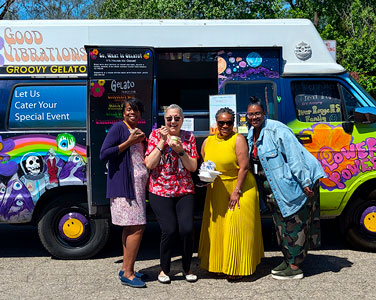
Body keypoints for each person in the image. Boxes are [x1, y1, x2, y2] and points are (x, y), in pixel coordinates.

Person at [247, 96, 326, 280]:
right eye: (251, 114)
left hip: (294, 183)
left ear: (264, 113)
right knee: (280, 224)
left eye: (258, 113)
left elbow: (295, 157)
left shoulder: (277, 130)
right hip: (276, 187)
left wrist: (305, 182)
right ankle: (287, 258)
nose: (254, 117)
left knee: (294, 224)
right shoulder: (252, 133)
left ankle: (295, 267)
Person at [198, 107, 264, 280]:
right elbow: (205, 162)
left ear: (233, 123)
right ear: (216, 123)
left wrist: (237, 191)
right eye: (222, 122)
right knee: (219, 228)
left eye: (228, 122)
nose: (225, 126)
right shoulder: (208, 141)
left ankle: (238, 267)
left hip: (240, 186)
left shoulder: (238, 139)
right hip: (218, 187)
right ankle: (220, 265)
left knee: (237, 226)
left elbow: (244, 167)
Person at [144, 104, 199, 284]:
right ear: (164, 120)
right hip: (160, 189)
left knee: (187, 229)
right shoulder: (154, 135)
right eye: (169, 118)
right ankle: (164, 269)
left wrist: (180, 150)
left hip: (184, 188)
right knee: (169, 229)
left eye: (177, 118)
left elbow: (192, 167)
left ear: (182, 120)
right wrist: (162, 142)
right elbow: (149, 165)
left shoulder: (189, 137)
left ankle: (187, 267)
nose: (173, 121)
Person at [100, 98, 148, 288]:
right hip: (125, 189)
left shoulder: (137, 131)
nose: (132, 113)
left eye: (136, 111)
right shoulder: (118, 128)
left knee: (129, 228)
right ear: (123, 113)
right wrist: (129, 142)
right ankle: (128, 273)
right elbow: (104, 153)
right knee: (137, 227)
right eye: (129, 110)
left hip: (136, 187)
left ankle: (127, 269)